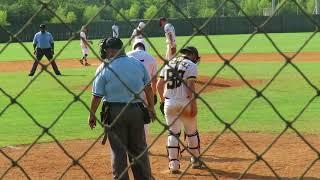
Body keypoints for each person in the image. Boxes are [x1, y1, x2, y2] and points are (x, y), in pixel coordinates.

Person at [88, 37, 155, 179]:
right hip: (136, 111)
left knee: (118, 151)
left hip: (114, 113)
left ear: (111, 51)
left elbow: (96, 96)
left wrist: (92, 114)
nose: (104, 52)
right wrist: (151, 108)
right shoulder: (137, 64)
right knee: (139, 150)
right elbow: (149, 89)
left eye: (106, 50)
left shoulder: (104, 68)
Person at [157, 46, 202, 174]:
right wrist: (194, 105)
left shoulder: (169, 63)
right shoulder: (191, 65)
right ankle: (196, 160)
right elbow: (191, 86)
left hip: (169, 103)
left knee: (173, 133)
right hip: (185, 102)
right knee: (192, 132)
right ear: (192, 55)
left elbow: (159, 85)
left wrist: (163, 101)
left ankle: (174, 165)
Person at [127, 39, 157, 137]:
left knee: (128, 116)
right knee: (145, 117)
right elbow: (154, 80)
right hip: (145, 92)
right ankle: (143, 146)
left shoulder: (127, 55)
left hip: (128, 92)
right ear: (145, 47)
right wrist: (154, 94)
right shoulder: (151, 58)